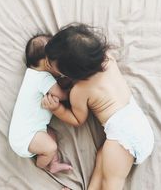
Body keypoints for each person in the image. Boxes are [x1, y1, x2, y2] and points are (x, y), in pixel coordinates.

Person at [42, 23, 155, 190]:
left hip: (122, 139)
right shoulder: (108, 59)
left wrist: (56, 109)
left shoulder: (79, 91)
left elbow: (77, 119)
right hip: (139, 127)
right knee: (102, 161)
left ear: (71, 74)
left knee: (112, 183)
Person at [8, 34, 72, 174]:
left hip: (25, 134)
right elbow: (62, 95)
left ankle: (54, 163)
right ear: (47, 62)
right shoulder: (44, 78)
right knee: (51, 147)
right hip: (26, 138)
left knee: (51, 134)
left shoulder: (31, 74)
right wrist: (73, 83)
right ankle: (42, 165)